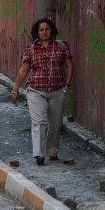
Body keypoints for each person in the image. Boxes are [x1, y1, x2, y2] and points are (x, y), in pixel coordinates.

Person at [11, 17, 73, 165]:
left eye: (47, 29)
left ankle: (52, 151)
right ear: (37, 32)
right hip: (36, 91)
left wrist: (67, 86)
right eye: (41, 30)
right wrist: (15, 89)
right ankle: (38, 154)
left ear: (51, 30)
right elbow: (23, 70)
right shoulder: (31, 49)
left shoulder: (62, 46)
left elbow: (69, 65)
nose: (44, 32)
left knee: (55, 123)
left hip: (58, 90)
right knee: (39, 121)